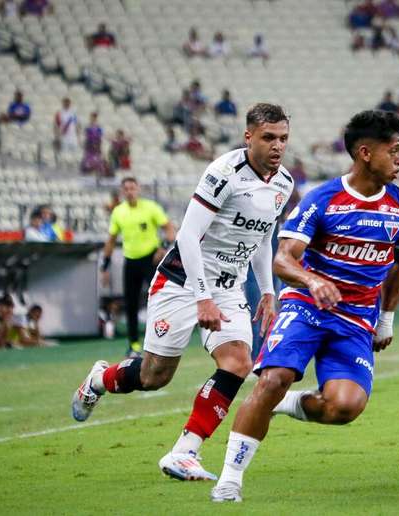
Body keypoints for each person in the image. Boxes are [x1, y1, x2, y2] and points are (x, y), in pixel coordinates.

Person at [72, 104, 293, 482]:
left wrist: (268, 291)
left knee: (239, 362)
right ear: (249, 137)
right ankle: (98, 380)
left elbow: (261, 238)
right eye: (269, 137)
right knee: (154, 376)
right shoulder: (224, 173)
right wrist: (201, 296)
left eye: (283, 138)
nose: (277, 146)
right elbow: (188, 235)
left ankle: (184, 451)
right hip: (181, 282)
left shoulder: (284, 183)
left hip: (227, 287)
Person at [209, 110, 399, 502]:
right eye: (395, 150)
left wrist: (386, 319)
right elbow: (283, 258)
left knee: (345, 407)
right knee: (273, 378)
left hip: (357, 319)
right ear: (366, 153)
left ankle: (285, 405)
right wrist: (313, 279)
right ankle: (230, 479)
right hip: (307, 306)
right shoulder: (323, 199)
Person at [99, 177, 176, 357]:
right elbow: (110, 240)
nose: (129, 191)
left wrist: (163, 247)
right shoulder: (118, 212)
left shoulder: (150, 207)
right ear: (122, 191)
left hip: (151, 260)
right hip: (131, 261)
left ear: (138, 189)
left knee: (159, 300)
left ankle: (163, 340)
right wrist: (105, 266)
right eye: (126, 188)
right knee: (131, 304)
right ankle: (133, 345)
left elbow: (170, 229)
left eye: (132, 188)